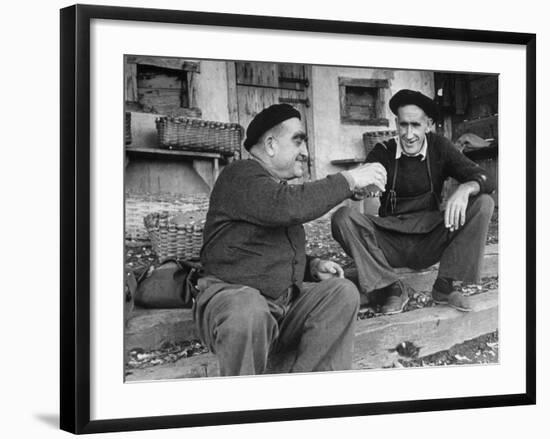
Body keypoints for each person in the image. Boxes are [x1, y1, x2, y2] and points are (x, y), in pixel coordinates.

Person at [194, 103, 387, 376]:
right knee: (248, 308)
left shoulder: (273, 189)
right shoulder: (238, 175)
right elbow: (288, 207)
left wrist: (312, 265)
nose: (306, 152)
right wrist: (349, 179)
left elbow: (264, 249)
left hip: (280, 306)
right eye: (298, 141)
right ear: (271, 145)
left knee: (342, 293)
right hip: (234, 302)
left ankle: (305, 396)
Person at [331, 89, 495, 315]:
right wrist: (359, 190)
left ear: (428, 124)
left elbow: (487, 179)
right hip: (390, 241)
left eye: (416, 125)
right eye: (404, 125)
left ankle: (445, 286)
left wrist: (466, 188)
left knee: (483, 203)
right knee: (342, 218)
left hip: (431, 238)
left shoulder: (440, 147)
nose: (408, 134)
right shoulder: (383, 151)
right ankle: (391, 287)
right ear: (397, 123)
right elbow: (359, 187)